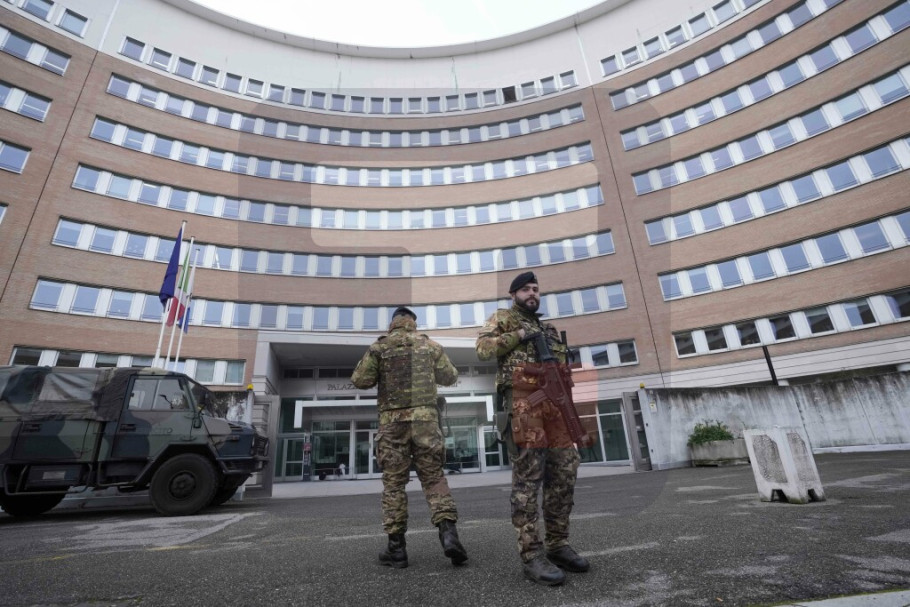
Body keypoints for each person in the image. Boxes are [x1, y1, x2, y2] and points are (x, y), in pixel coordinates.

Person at [476, 271, 590, 586]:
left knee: (565, 471)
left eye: (536, 289)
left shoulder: (549, 329)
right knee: (528, 478)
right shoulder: (502, 318)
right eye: (526, 289)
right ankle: (531, 554)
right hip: (525, 404)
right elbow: (483, 349)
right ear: (514, 294)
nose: (532, 293)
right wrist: (518, 334)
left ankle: (558, 544)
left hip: (555, 405)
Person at [351, 306, 468, 569]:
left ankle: (397, 550)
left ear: (393, 322)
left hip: (392, 424)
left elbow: (360, 380)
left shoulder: (380, 347)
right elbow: (450, 376)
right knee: (434, 478)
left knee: (394, 485)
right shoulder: (429, 345)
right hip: (426, 422)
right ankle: (449, 535)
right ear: (413, 322)